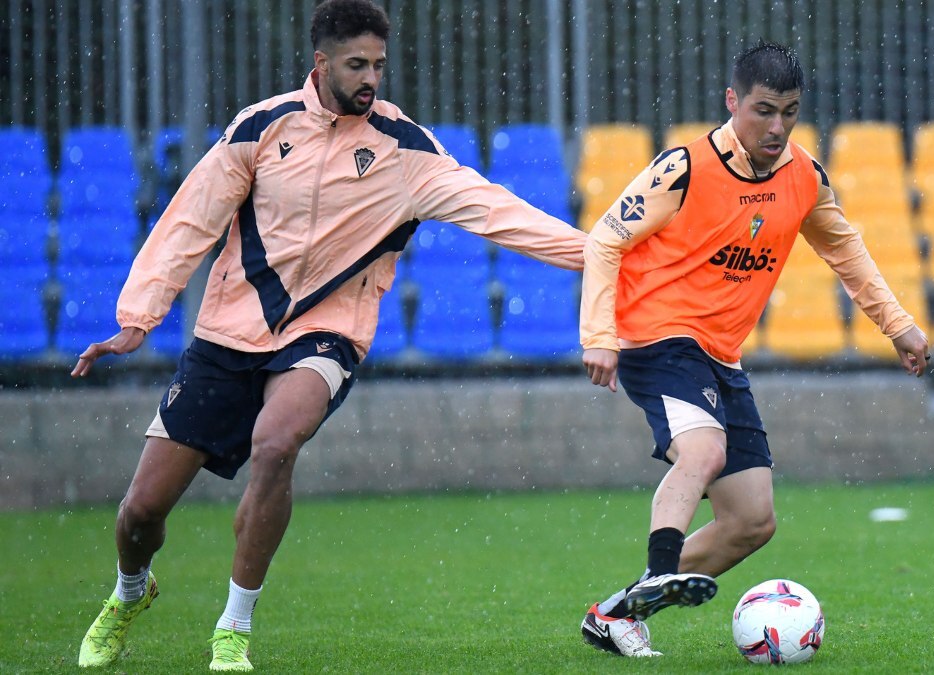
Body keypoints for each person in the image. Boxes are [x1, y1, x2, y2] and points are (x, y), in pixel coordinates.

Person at [73, 0, 585, 670]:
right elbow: (188, 221)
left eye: (378, 63)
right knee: (141, 511)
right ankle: (129, 591)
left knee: (276, 441)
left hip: (327, 334)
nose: (371, 76)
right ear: (320, 63)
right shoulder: (260, 127)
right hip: (227, 336)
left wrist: (604, 255)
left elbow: (501, 213)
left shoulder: (406, 151)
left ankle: (233, 625)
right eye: (356, 64)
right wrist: (136, 318)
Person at [576, 40, 930, 658]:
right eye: (764, 110)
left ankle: (614, 614)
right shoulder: (681, 168)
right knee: (704, 449)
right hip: (657, 338)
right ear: (732, 101)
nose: (777, 127)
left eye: (790, 112)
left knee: (752, 521)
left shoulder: (804, 178)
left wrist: (896, 323)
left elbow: (846, 251)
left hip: (720, 355)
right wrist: (599, 336)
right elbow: (603, 240)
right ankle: (662, 568)